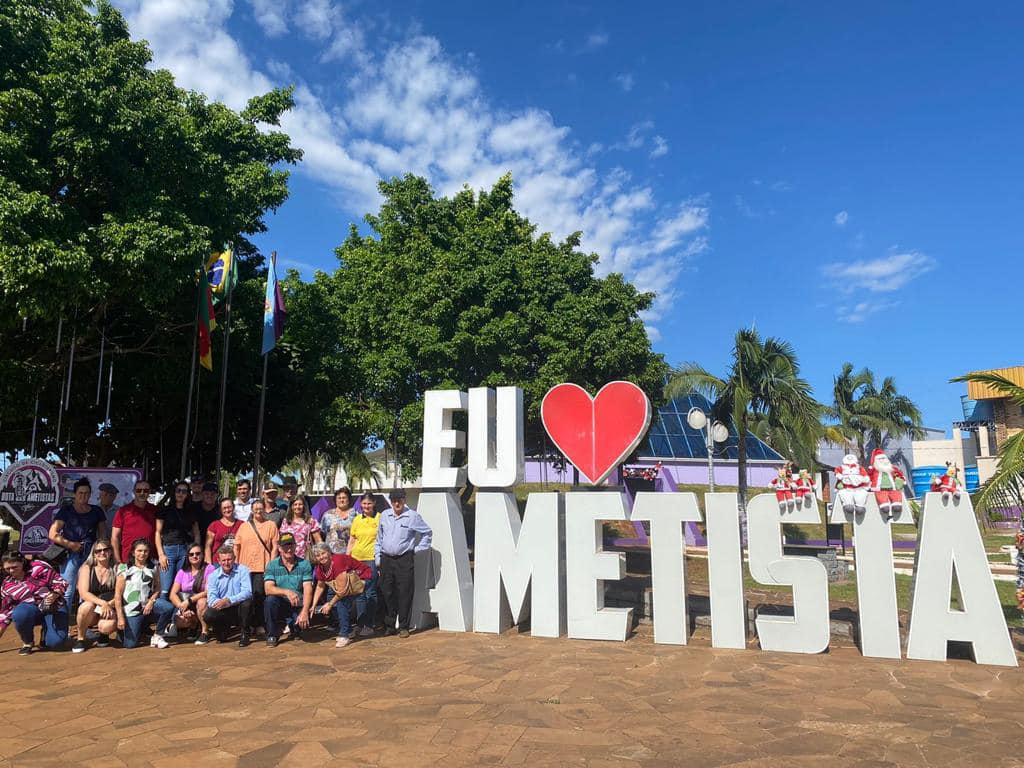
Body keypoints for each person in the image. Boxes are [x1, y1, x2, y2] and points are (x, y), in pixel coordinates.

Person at [375, 489, 431, 638]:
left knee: (405, 592)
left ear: (404, 500)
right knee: (387, 592)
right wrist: (378, 557)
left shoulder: (412, 516)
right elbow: (379, 538)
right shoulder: (384, 515)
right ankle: (389, 625)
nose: (397, 503)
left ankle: (404, 626)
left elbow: (427, 532)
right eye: (394, 500)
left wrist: (416, 550)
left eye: (399, 500)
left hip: (404, 559)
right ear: (391, 501)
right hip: (386, 559)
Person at [48, 477, 106, 605]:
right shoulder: (66, 510)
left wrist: (101, 551)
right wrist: (70, 544)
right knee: (67, 589)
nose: (83, 496)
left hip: (91, 554)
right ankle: (63, 616)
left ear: (90, 494)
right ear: (75, 494)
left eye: (86, 493)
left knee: (88, 590)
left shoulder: (97, 511)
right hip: (70, 554)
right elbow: (52, 534)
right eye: (80, 493)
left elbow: (102, 535)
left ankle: (83, 616)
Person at [0, 551, 69, 654]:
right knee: (19, 613)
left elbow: (60, 582)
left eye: (14, 567)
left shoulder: (39, 567)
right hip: (30, 610)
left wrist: (55, 593)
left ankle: (46, 632)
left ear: (22, 562)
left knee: (56, 643)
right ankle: (28, 642)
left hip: (53, 606)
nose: (11, 571)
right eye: (7, 568)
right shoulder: (7, 585)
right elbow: (5, 613)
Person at [311, 542, 371, 648]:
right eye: (318, 555)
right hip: (348, 584)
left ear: (329, 552)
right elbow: (320, 586)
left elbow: (342, 591)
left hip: (363, 578)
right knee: (333, 600)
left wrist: (329, 604)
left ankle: (344, 635)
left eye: (323, 553)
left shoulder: (337, 561)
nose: (321, 557)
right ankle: (348, 629)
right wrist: (313, 605)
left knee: (341, 602)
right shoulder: (319, 568)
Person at [233, 499, 279, 635]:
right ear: (252, 511)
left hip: (262, 567)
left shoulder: (271, 525)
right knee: (246, 597)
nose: (258, 511)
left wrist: (271, 564)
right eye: (256, 509)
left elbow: (275, 546)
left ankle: (259, 623)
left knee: (259, 596)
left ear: (264, 509)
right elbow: (236, 546)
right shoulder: (244, 526)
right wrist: (236, 565)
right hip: (244, 568)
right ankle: (246, 625)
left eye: (261, 508)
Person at [114, 538, 167, 649]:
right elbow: (118, 595)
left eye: (145, 551)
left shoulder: (153, 567)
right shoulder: (124, 568)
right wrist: (120, 617)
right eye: (139, 550)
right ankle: (125, 631)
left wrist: (151, 601)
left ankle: (157, 635)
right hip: (131, 609)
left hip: (148, 605)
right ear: (133, 552)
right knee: (130, 645)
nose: (142, 553)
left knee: (167, 608)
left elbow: (158, 588)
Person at [153, 543, 211, 644]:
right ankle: (194, 626)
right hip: (187, 605)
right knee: (179, 621)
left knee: (202, 602)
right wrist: (182, 608)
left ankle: (204, 632)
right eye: (191, 554)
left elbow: (207, 591)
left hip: (203, 603)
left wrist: (189, 601)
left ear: (202, 555)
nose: (195, 556)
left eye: (198, 553)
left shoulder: (209, 569)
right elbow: (172, 594)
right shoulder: (182, 572)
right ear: (187, 556)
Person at [262, 532, 313, 647]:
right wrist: (287, 592)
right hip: (280, 602)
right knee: (269, 600)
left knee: (303, 627)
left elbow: (308, 589)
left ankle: (293, 626)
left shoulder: (305, 564)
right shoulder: (272, 565)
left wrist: (305, 611)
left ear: (295, 546)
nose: (289, 549)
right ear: (279, 548)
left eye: (291, 545)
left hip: (297, 602)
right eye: (285, 546)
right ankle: (272, 634)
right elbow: (268, 589)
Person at [154, 481, 200, 600]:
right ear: (174, 492)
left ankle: (178, 611)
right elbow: (158, 532)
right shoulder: (164, 510)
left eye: (184, 491)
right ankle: (164, 611)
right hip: (168, 550)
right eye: (178, 490)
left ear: (187, 494)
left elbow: (196, 533)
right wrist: (161, 554)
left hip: (185, 550)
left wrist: (197, 551)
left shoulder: (191, 511)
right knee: (165, 589)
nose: (180, 493)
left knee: (181, 588)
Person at [72, 538, 118, 652]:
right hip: (93, 607)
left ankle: (103, 635)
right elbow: (83, 593)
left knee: (106, 627)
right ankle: (80, 638)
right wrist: (102, 603)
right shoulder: (87, 568)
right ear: (94, 554)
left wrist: (109, 604)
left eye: (105, 550)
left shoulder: (117, 568)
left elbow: (120, 593)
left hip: (110, 606)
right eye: (98, 551)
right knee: (86, 606)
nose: (102, 553)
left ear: (111, 552)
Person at [204, 545, 253, 646]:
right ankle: (223, 630)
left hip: (238, 606)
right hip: (222, 609)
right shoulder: (213, 576)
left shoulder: (243, 570)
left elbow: (247, 592)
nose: (226, 563)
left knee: (247, 603)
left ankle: (245, 634)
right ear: (218, 561)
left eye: (229, 559)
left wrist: (229, 600)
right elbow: (211, 599)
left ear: (234, 558)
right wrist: (220, 603)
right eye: (224, 560)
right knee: (208, 615)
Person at [348, 492, 381, 635]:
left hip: (371, 559)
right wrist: (347, 558)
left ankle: (370, 624)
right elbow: (352, 540)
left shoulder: (380, 518)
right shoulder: (357, 519)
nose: (366, 506)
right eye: (364, 503)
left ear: (374, 503)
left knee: (370, 592)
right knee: (359, 592)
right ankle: (360, 624)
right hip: (356, 559)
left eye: (369, 503)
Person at [111, 479, 158, 565]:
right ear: (134, 492)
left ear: (149, 492)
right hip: (127, 560)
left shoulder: (155, 510)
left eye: (146, 490)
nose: (142, 493)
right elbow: (115, 537)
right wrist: (117, 559)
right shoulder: (123, 511)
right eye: (139, 490)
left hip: (150, 559)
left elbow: (159, 534)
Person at [280, 496, 321, 560]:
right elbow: (282, 539)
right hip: (289, 555)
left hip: (305, 557)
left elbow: (318, 540)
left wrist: (320, 554)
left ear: (304, 506)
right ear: (291, 507)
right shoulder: (286, 521)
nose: (297, 507)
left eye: (300, 504)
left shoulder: (310, 521)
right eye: (295, 504)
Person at [205, 499, 241, 565]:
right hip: (217, 562)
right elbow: (208, 546)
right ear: (221, 510)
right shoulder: (214, 525)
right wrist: (209, 565)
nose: (227, 510)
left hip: (234, 562)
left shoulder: (241, 524)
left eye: (229, 507)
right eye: (224, 508)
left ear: (233, 507)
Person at [321, 487, 356, 555]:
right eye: (339, 498)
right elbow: (323, 533)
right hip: (331, 554)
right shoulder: (327, 515)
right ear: (335, 500)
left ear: (349, 499)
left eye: (344, 498)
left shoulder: (355, 514)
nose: (341, 500)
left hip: (350, 553)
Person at [189, 481, 221, 550]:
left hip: (216, 546)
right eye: (206, 494)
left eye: (212, 494)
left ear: (217, 495)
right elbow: (194, 531)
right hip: (195, 545)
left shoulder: (221, 510)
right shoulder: (194, 508)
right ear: (202, 494)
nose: (209, 496)